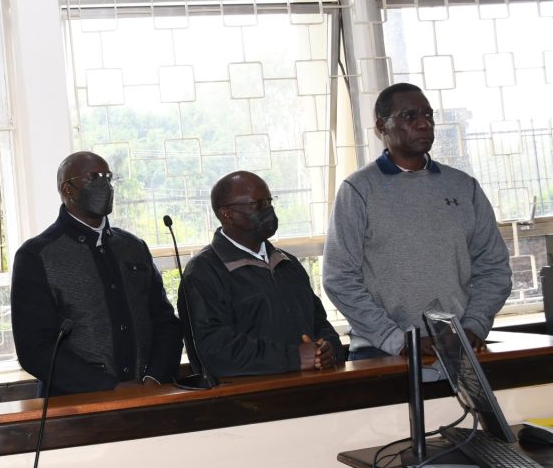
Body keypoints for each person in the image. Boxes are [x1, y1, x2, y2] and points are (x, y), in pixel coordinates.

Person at [323, 83, 512, 359]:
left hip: (457, 349)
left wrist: (473, 326)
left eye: (428, 115)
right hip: (382, 351)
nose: (424, 124)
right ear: (381, 126)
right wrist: (397, 340)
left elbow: (494, 268)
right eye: (409, 116)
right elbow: (338, 278)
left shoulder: (463, 187)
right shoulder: (358, 190)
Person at [11, 151, 182, 395]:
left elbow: (165, 322)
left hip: (147, 394)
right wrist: (109, 387)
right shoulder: (36, 255)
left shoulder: (133, 247)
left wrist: (155, 377)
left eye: (108, 178)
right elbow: (35, 348)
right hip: (76, 405)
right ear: (67, 189)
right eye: (93, 178)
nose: (105, 185)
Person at [180, 171, 343, 377]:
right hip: (246, 400)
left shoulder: (288, 263)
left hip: (312, 391)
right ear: (226, 214)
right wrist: (293, 357)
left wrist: (328, 349)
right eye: (257, 205)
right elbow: (215, 349)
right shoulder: (204, 272)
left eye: (268, 202)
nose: (267, 210)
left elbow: (319, 321)